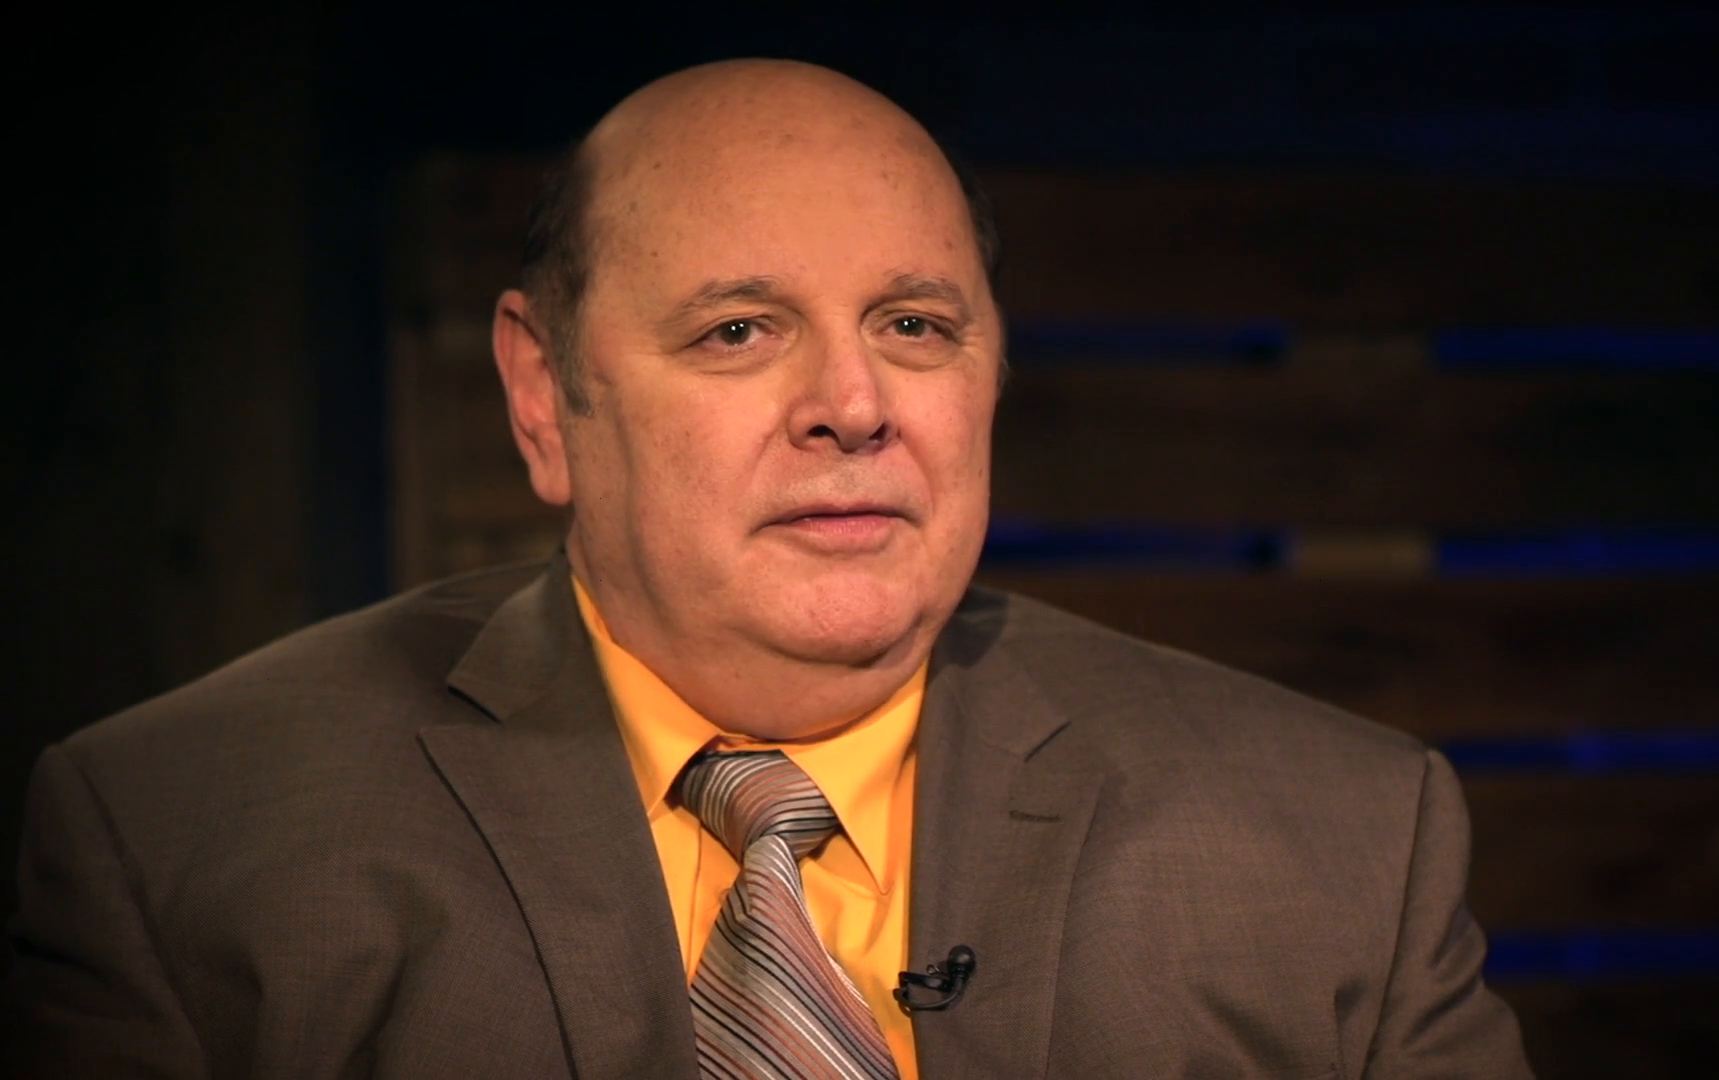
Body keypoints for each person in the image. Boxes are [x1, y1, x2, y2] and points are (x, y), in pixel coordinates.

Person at [5, 59, 1531, 1078]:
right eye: (740, 329)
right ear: (545, 399)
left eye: (914, 326)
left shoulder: (1345, 850)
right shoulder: (176, 845)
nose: (853, 404)